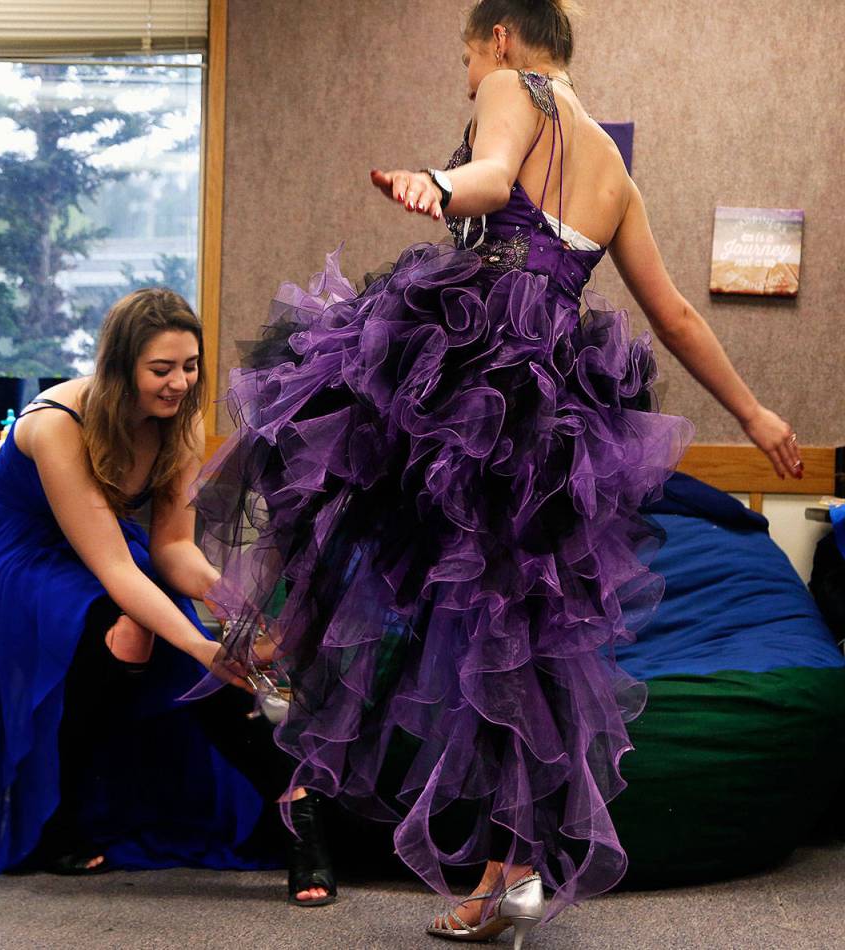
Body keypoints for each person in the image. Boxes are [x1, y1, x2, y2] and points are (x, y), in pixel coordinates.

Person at [191, 0, 803, 943]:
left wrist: (438, 181)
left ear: (502, 40)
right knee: (508, 631)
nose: (468, 75)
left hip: (476, 364)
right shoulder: (618, 171)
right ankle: (511, 868)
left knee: (304, 417)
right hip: (547, 404)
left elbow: (486, 178)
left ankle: (278, 639)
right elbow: (675, 314)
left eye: (467, 56)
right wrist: (758, 414)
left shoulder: (514, 90)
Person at [0, 288, 335, 906]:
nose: (179, 383)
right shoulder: (55, 425)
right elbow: (117, 570)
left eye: (190, 365)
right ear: (119, 367)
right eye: (161, 369)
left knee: (202, 650)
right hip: (18, 560)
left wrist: (237, 611)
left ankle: (299, 816)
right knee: (138, 633)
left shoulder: (180, 421)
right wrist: (200, 646)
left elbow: (171, 548)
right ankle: (63, 813)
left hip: (102, 551)